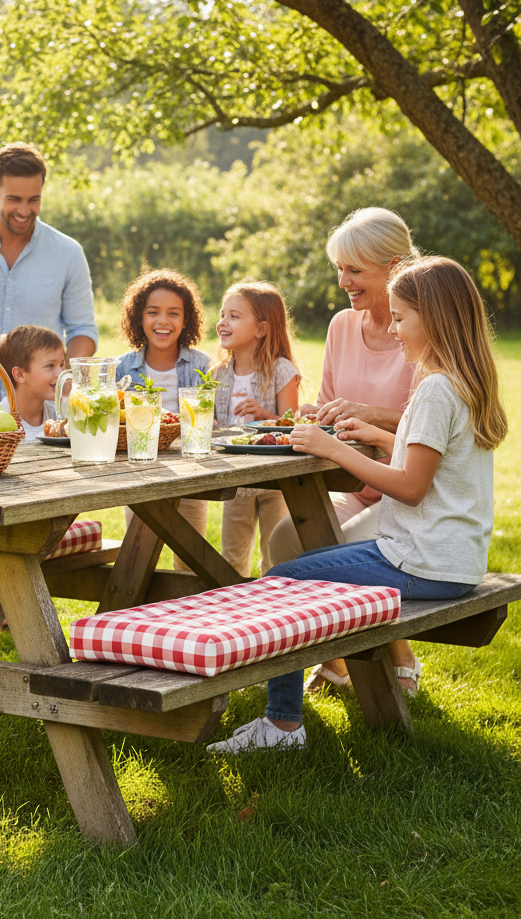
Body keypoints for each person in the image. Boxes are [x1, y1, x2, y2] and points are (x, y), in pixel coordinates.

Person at [208, 256, 507, 754]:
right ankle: (302, 702)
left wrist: (335, 449)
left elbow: (410, 487)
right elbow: (436, 467)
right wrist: (373, 436)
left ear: (432, 319)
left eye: (400, 318)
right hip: (452, 557)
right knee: (304, 570)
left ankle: (281, 726)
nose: (394, 329)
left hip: (421, 558)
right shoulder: (462, 382)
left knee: (281, 581)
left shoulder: (435, 389)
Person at [266, 207, 420, 693]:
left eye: (355, 270)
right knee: (286, 538)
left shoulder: (420, 329)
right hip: (352, 478)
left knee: (334, 547)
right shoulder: (340, 326)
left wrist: (370, 414)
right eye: (339, 268)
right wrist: (315, 412)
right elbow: (333, 403)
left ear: (394, 267)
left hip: (405, 488)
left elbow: (436, 425)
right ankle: (339, 658)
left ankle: (387, 655)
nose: (342, 281)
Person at [0, 143, 98, 402]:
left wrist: (63, 378)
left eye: (33, 200)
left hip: (41, 411)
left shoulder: (68, 253)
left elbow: (82, 329)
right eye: (14, 199)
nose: (25, 211)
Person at [211, 281, 300, 577]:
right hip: (236, 481)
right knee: (231, 556)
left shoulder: (281, 370)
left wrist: (264, 416)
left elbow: (293, 424)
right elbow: (213, 424)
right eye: (223, 314)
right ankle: (230, 609)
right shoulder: (218, 374)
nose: (223, 322)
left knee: (275, 556)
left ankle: (273, 611)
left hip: (275, 481)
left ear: (261, 329)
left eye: (234, 316)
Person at [117, 269, 212, 543]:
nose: (163, 321)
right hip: (140, 475)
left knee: (193, 552)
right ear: (139, 318)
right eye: (153, 312)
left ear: (186, 321)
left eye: (173, 313)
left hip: (191, 475)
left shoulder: (201, 365)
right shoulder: (123, 367)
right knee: (138, 549)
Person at [0, 325, 66, 441]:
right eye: (50, 366)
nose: (60, 373)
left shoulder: (60, 417)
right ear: (20, 375)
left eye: (62, 364)